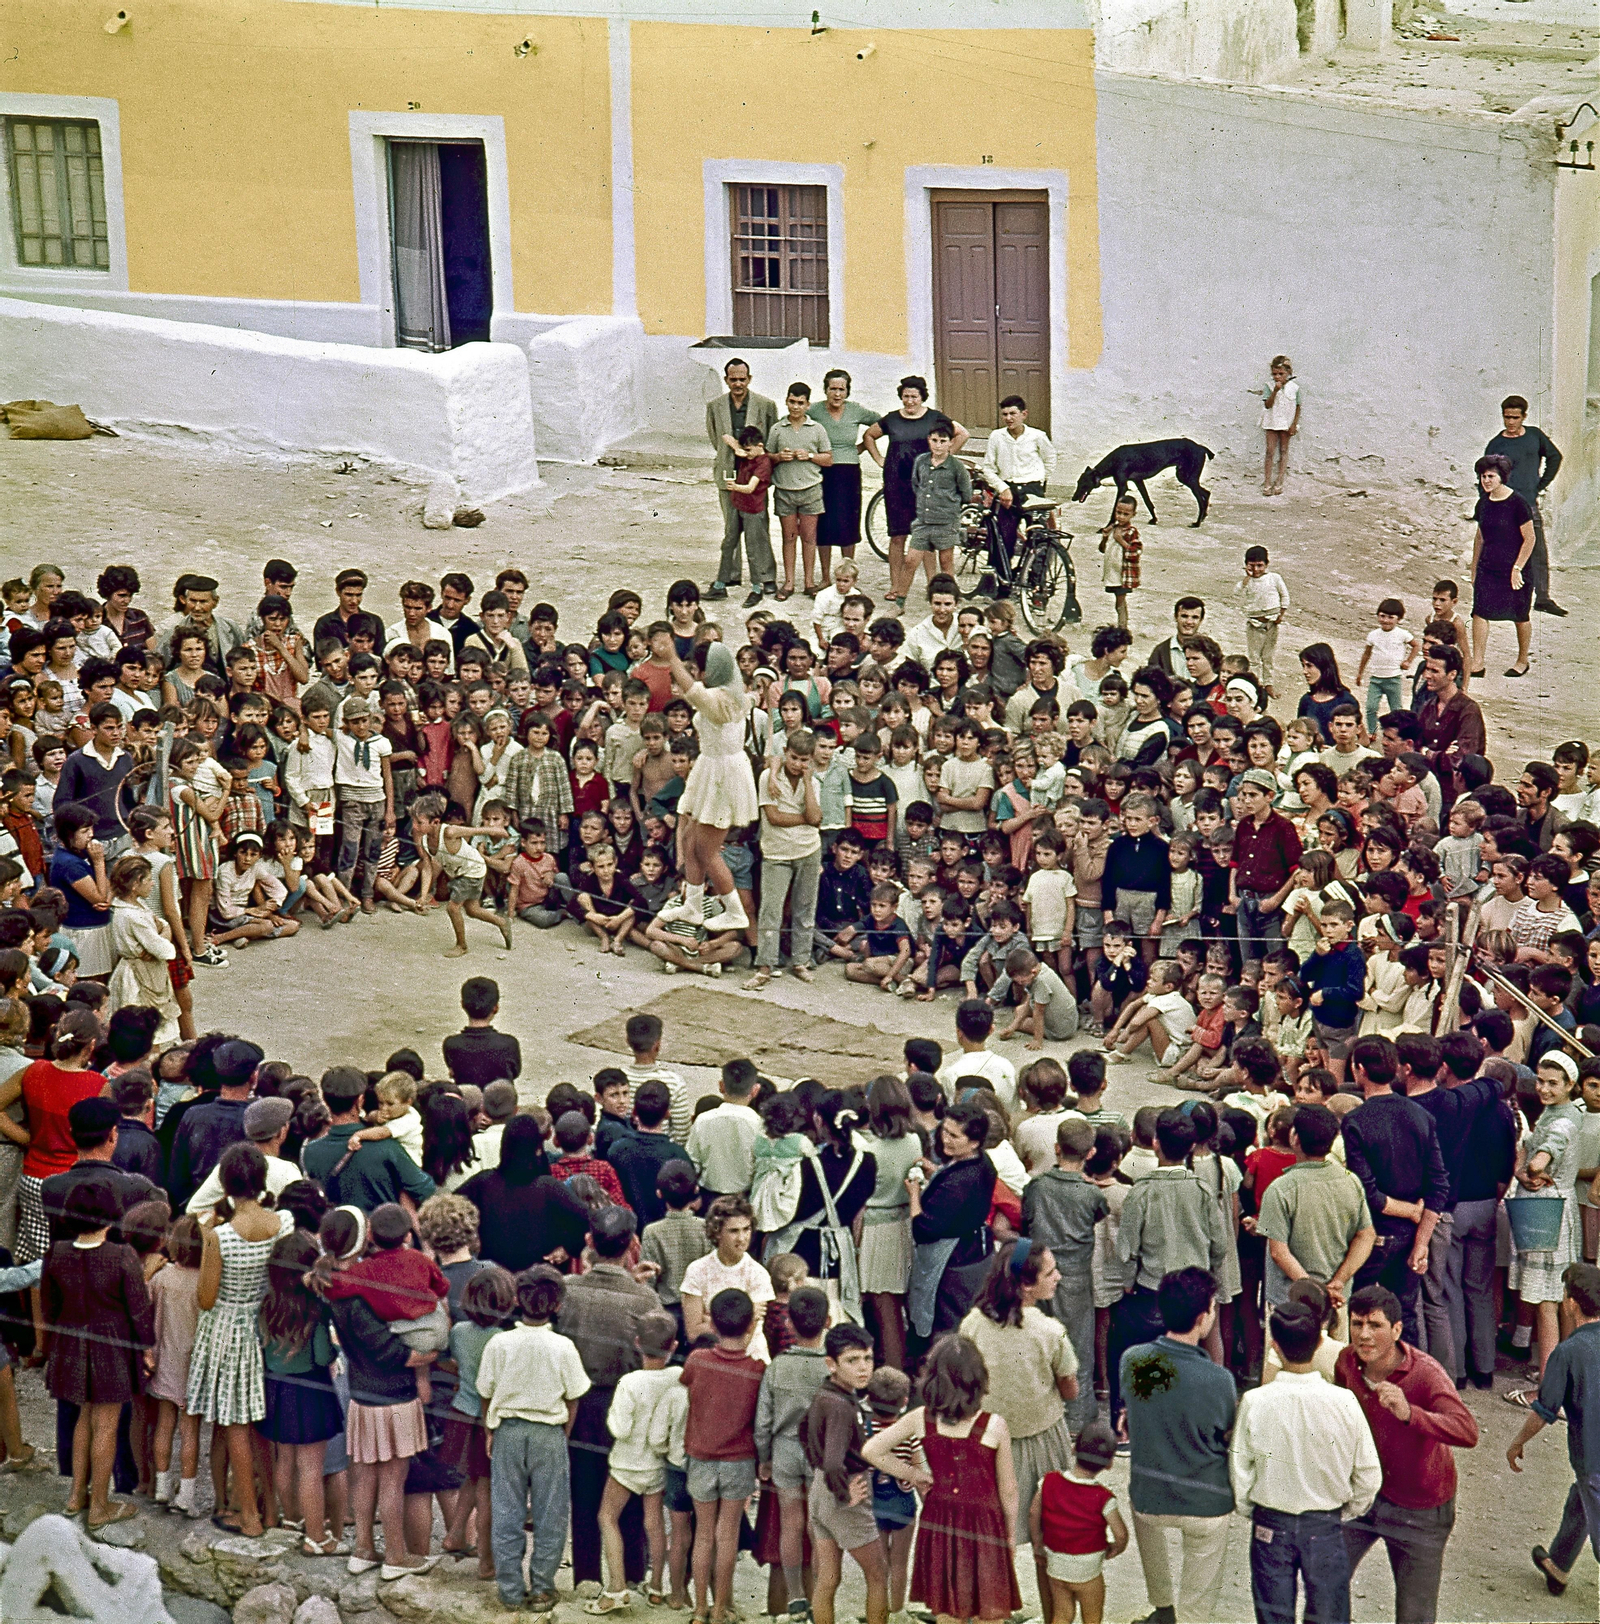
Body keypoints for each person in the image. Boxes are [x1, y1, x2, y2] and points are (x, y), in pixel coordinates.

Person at [1230, 1300, 1381, 1624]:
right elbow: (1369, 1474)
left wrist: (1250, 1508)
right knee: (1329, 1615)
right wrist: (1346, 1510)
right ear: (1318, 1344)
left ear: (1275, 1346)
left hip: (1270, 1523)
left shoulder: (1255, 1402)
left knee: (1273, 1616)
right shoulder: (1344, 1402)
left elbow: (1240, 1470)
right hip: (1324, 1524)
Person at [1335, 1283, 1478, 1624]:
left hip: (1420, 1510)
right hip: (1363, 1498)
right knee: (1325, 1583)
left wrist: (1410, 1413)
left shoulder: (1425, 1373)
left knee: (1414, 1614)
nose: (1364, 1335)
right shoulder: (1346, 1364)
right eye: (1357, 1324)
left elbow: (1467, 1430)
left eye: (1375, 1325)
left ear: (1397, 1329)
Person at [861, 1331, 1022, 1624]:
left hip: (939, 1521)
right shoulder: (994, 1426)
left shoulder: (920, 1418)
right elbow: (1008, 1489)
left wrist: (916, 1475)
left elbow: (872, 1450)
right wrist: (1009, 1534)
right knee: (990, 1607)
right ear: (979, 1380)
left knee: (947, 1608)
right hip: (985, 1525)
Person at [959, 1239, 1080, 1609]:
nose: (1057, 1277)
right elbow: (1070, 1388)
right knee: (1050, 1539)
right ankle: (1053, 1616)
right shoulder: (1049, 1331)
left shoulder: (974, 1323)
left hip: (989, 1442)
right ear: (1026, 1285)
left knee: (994, 1538)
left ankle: (991, 1611)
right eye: (1049, 1272)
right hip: (1043, 1438)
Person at [186, 1143, 294, 1538]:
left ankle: (247, 1514)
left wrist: (203, 1234)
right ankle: (269, 1511)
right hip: (265, 1323)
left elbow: (206, 1298)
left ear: (227, 1184)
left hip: (229, 1330)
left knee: (235, 1425)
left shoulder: (220, 1237)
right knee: (261, 1426)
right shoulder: (283, 1222)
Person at [1119, 1267, 1236, 1624]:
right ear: (1203, 1317)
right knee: (1199, 1592)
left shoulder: (1133, 1360)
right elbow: (1228, 1434)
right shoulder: (1219, 1379)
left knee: (1149, 1527)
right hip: (1205, 1499)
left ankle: (1162, 1607)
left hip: (1150, 1494)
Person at [559, 1206, 663, 1595]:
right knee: (630, 1492)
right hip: (628, 1404)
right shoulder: (644, 1300)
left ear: (589, 1243)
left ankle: (587, 1576)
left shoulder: (567, 1289)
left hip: (578, 1405)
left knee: (584, 1494)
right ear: (633, 1244)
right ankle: (634, 1574)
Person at [41, 1176, 155, 1530]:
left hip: (71, 1343)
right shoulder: (122, 1256)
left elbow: (49, 1305)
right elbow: (139, 1310)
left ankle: (77, 1495)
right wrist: (147, 1350)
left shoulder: (56, 1253)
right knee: (106, 1425)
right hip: (111, 1349)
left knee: (82, 1419)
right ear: (111, 1218)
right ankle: (101, 1505)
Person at [477, 1265, 590, 1613]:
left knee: (507, 1512)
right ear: (558, 1304)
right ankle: (542, 1587)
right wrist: (563, 1433)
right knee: (550, 1514)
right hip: (549, 1433)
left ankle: (510, 1589)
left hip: (509, 1430)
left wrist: (490, 1428)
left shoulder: (500, 1343)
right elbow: (574, 1395)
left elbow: (485, 1391)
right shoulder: (563, 1346)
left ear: (516, 1300)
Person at [652, 641, 757, 932]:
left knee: (706, 851)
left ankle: (735, 911)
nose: (698, 673)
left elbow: (695, 693)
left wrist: (672, 658)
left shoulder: (723, 700)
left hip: (724, 776)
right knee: (689, 842)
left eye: (702, 668)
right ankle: (693, 905)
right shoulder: (731, 695)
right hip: (711, 769)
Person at [1513, 1261, 1600, 1598]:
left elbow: (1544, 1410)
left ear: (1571, 1303)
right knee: (1578, 1502)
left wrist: (1517, 1442)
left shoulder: (1567, 1352)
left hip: (1593, 1458)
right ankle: (1558, 1566)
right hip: (1591, 1465)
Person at [799, 1321, 891, 1624]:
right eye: (852, 1360)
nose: (863, 1368)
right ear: (831, 1363)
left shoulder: (824, 1394)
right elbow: (835, 1462)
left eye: (868, 1359)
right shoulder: (841, 1405)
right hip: (844, 1492)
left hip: (819, 1493)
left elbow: (803, 1431)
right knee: (878, 1574)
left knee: (828, 1578)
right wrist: (844, 1493)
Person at [862, 377, 970, 613]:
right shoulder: (892, 418)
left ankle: (933, 586)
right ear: (901, 396)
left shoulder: (934, 417)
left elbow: (962, 433)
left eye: (914, 396)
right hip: (895, 483)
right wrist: (879, 459)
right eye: (906, 396)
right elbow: (869, 436)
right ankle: (895, 585)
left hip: (926, 485)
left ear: (922, 397)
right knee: (897, 536)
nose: (910, 400)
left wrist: (944, 456)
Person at [1030, 1420, 1127, 1624]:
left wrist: (1038, 1542)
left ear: (1073, 1449)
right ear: (1109, 1464)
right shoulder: (1103, 1498)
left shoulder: (1048, 1481)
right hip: (1088, 1568)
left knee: (1062, 1615)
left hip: (1056, 1562)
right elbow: (1120, 1534)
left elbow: (1033, 1512)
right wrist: (1116, 1548)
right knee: (1092, 1617)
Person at [1483, 393, 1564, 616]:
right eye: (1507, 417)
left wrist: (1540, 485)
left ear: (1524, 417)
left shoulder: (1535, 437)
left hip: (1528, 504)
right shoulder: (1496, 444)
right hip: (1505, 505)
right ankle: (1504, 598)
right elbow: (1486, 475)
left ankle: (1543, 598)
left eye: (1515, 417)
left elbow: (1555, 457)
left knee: (1537, 549)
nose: (1510, 422)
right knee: (1503, 550)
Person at [707, 358, 779, 603]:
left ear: (749, 379)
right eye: (733, 379)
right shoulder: (715, 406)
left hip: (754, 478)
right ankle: (731, 575)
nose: (738, 383)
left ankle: (766, 577)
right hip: (729, 474)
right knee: (731, 528)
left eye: (742, 379)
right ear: (726, 380)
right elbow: (714, 437)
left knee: (758, 527)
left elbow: (768, 439)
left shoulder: (765, 405)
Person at [1467, 453, 1536, 680]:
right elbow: (1480, 537)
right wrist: (1474, 567)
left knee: (1520, 614)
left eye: (1490, 476)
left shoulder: (1518, 503)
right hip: (1489, 566)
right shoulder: (1484, 503)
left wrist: (1517, 569)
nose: (1486, 481)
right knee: (1480, 611)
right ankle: (1478, 662)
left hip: (1515, 568)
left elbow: (1530, 538)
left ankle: (1522, 660)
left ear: (1501, 477)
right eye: (1483, 476)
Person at [980, 395, 1057, 591]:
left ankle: (1036, 585)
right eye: (1004, 414)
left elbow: (1050, 460)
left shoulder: (1037, 436)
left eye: (1013, 413)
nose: (1008, 418)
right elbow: (988, 468)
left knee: (1040, 537)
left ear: (1024, 414)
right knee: (1003, 538)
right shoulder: (997, 437)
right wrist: (1003, 488)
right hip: (1008, 492)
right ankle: (1003, 585)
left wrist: (1037, 481)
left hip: (1033, 491)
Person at [766, 383, 834, 601]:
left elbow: (828, 459)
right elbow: (767, 457)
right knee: (789, 537)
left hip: (810, 490)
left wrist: (810, 456)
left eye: (800, 403)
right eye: (792, 402)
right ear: (786, 401)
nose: (795, 407)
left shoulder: (817, 429)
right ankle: (788, 583)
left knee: (809, 537)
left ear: (808, 404)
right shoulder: (778, 429)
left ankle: (809, 582)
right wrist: (778, 457)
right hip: (785, 490)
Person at [1258, 355, 1300, 496]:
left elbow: (1298, 406)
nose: (1277, 377)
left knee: (1283, 450)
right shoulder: (1268, 386)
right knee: (1270, 451)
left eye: (1281, 374)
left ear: (1288, 373)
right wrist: (1275, 391)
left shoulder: (1294, 388)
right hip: (1272, 421)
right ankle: (1267, 482)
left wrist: (1294, 424)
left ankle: (1280, 481)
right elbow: (1268, 405)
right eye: (1275, 374)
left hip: (1286, 423)